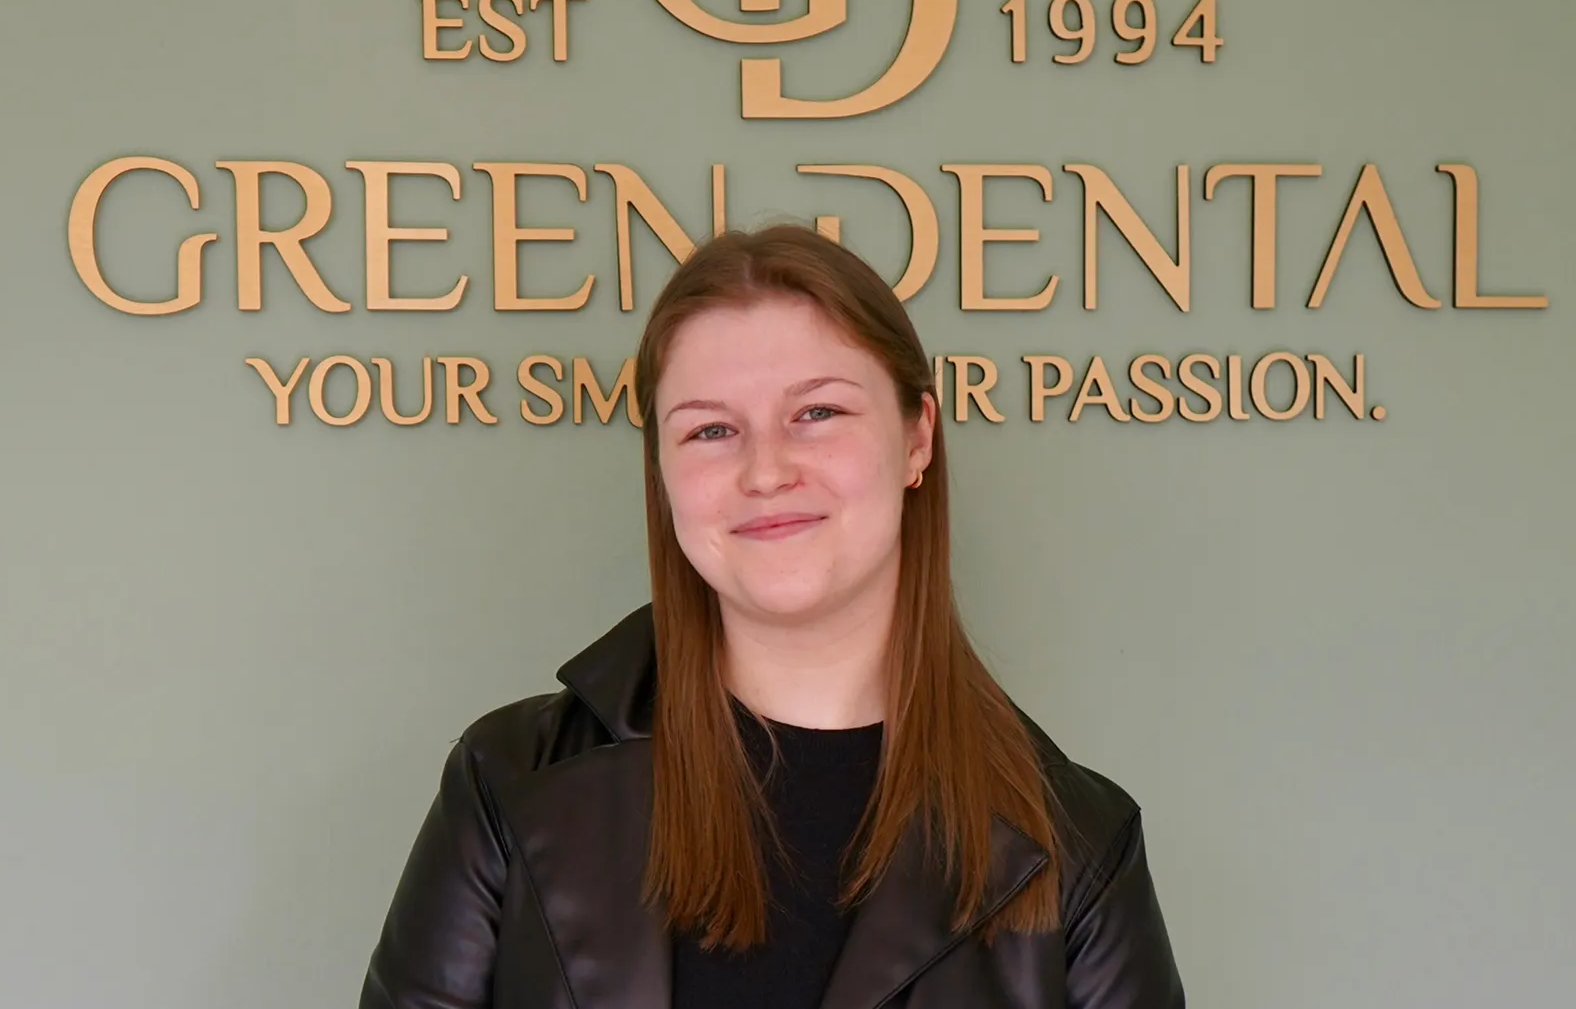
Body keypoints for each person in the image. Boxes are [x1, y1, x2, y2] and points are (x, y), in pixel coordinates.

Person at [358, 223, 1185, 1009]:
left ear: (918, 437)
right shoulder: (507, 781)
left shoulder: (1078, 846)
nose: (766, 469)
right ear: (662, 474)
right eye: (711, 429)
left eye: (817, 413)